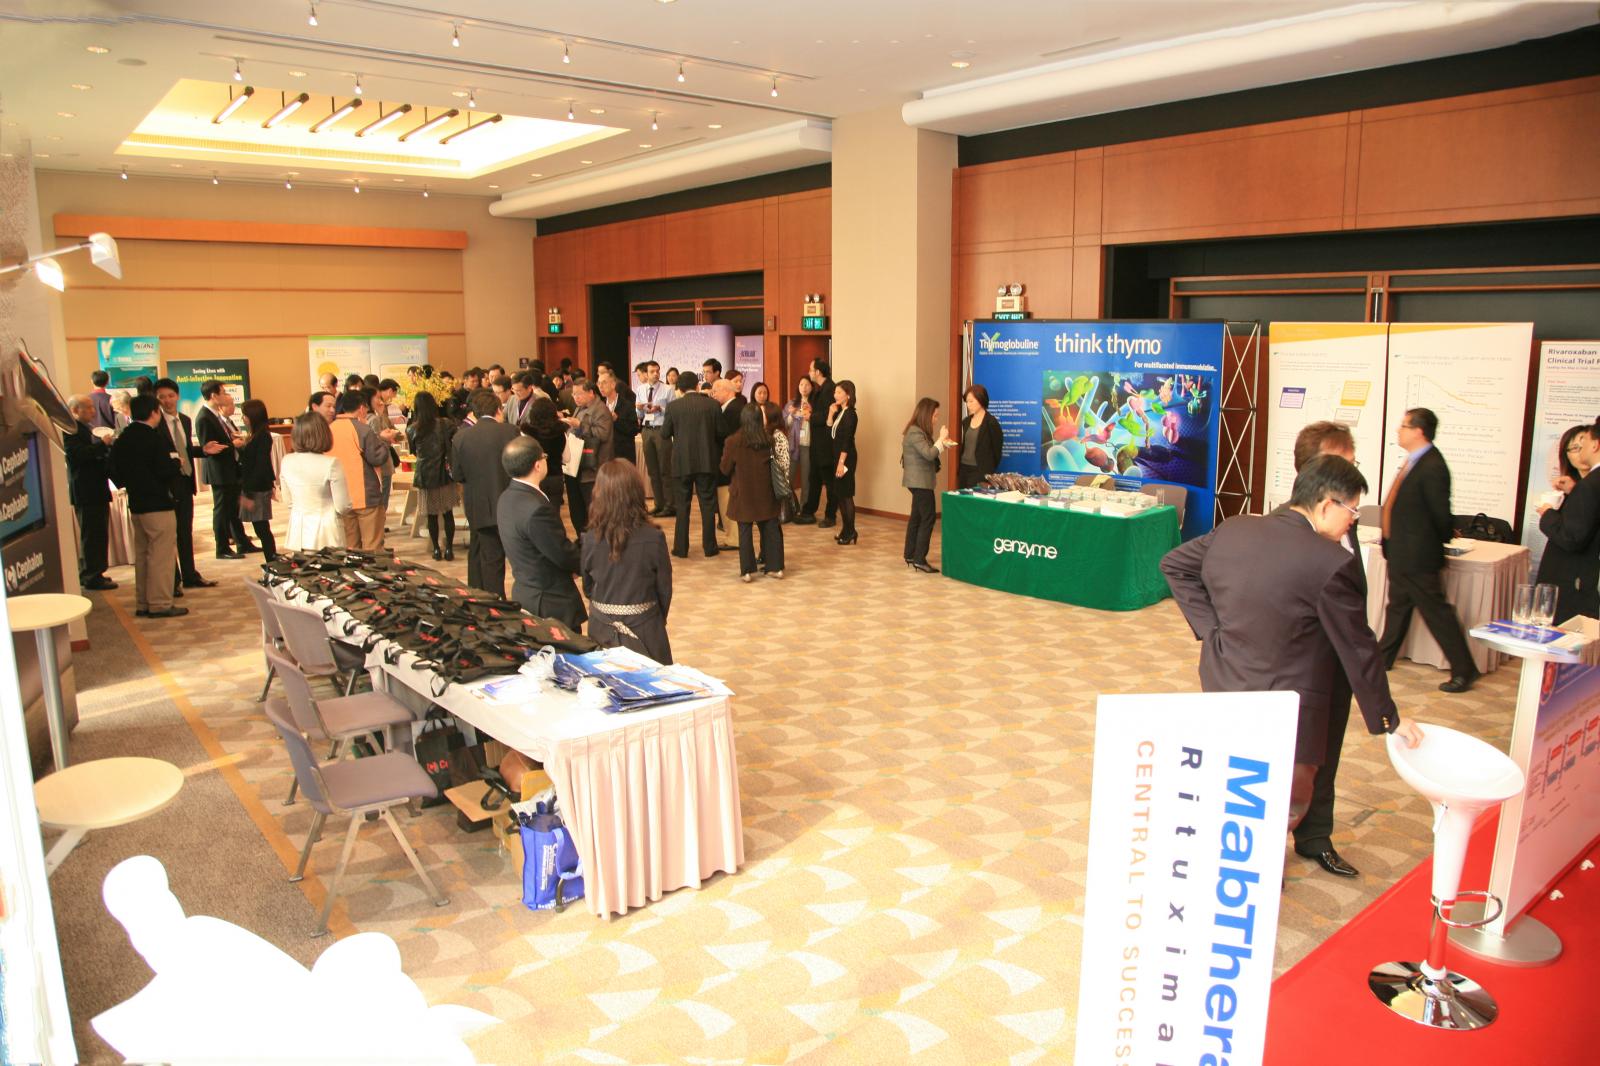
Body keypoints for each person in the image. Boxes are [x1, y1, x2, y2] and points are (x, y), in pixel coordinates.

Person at [1160, 455, 1423, 834]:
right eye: (1352, 510)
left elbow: (1174, 564)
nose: (1352, 520)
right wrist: (1389, 718)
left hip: (1224, 678)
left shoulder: (1234, 529)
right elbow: (1358, 648)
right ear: (1327, 504)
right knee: (1276, 803)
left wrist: (1211, 628)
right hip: (1287, 704)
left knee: (1227, 777)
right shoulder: (1331, 562)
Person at [1281, 420, 1366, 877]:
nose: (1351, 474)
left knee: (1326, 753)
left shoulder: (1346, 516)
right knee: (1291, 757)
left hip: (1337, 658)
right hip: (1294, 664)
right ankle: (1265, 849)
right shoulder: (1284, 526)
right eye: (1341, 464)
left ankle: (1315, 837)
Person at [1377, 407, 1479, 693]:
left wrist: (1437, 540)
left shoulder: (1432, 465)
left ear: (1419, 431)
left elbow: (1440, 514)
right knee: (1398, 606)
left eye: (1404, 426)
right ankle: (1382, 658)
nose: (1398, 430)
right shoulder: (1414, 461)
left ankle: (1465, 669)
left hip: (1417, 556)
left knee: (1437, 613)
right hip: (1401, 551)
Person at [581, 460, 674, 663]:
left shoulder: (589, 539)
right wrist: (652, 618)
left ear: (598, 494)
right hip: (645, 628)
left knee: (604, 681)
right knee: (653, 681)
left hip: (600, 629)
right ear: (637, 492)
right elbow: (664, 589)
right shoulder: (654, 538)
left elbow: (588, 587)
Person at [108, 393, 186, 618]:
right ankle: (160, 603)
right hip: (158, 503)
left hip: (137, 502)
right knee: (161, 555)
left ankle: (143, 602)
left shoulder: (123, 437)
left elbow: (112, 469)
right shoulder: (153, 438)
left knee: (142, 555)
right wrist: (176, 463)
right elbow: (163, 470)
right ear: (154, 412)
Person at [499, 436, 586, 628]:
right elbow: (561, 553)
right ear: (537, 465)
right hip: (550, 601)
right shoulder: (536, 508)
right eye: (544, 456)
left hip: (526, 592)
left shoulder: (506, 497)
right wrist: (582, 565)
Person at [154, 378, 220, 591]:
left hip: (184, 481)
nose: (167, 401)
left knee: (185, 531)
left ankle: (190, 575)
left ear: (177, 396)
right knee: (168, 535)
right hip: (167, 484)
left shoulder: (184, 420)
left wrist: (203, 450)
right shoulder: (155, 423)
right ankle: (173, 580)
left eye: (170, 396)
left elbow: (184, 449)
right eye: (162, 397)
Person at [452, 389, 520, 596]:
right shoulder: (511, 432)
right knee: (520, 558)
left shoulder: (461, 436)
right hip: (510, 503)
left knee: (491, 559)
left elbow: (458, 474)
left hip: (479, 505)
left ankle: (494, 601)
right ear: (498, 410)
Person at [1536, 422, 1600, 623]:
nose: (1580, 449)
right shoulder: (1584, 486)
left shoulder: (1589, 485)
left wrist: (1547, 514)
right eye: (1573, 447)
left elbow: (1572, 538)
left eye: (1583, 442)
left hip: (1576, 580)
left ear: (1594, 445)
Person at [720, 404, 785, 582]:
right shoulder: (768, 440)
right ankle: (776, 567)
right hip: (766, 491)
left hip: (743, 492)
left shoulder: (733, 441)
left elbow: (725, 469)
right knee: (770, 528)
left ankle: (747, 571)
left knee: (745, 530)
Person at [661, 371, 722, 558]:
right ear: (697, 385)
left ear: (679, 389)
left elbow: (664, 433)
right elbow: (721, 432)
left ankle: (681, 548)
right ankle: (710, 547)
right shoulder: (712, 405)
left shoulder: (673, 407)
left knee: (682, 506)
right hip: (707, 461)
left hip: (682, 462)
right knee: (708, 505)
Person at [194, 380, 255, 558]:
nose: (226, 395)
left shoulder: (214, 415)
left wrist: (231, 440)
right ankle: (222, 548)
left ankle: (242, 543)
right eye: (223, 392)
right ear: (214, 396)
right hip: (218, 471)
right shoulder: (204, 417)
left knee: (232, 509)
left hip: (229, 469)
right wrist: (232, 444)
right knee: (221, 510)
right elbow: (211, 448)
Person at [64, 394, 116, 590]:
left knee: (98, 533)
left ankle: (96, 571)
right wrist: (102, 444)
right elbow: (77, 456)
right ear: (75, 410)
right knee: (91, 534)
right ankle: (91, 575)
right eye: (88, 408)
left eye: (92, 407)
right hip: (86, 491)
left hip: (95, 488)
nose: (93, 411)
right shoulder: (71, 430)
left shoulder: (85, 428)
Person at [279, 413, 351, 551]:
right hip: (327, 530)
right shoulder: (331, 463)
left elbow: (288, 501)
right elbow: (342, 506)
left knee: (302, 564)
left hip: (298, 531)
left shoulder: (287, 461)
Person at [329, 391, 390, 551]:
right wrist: (385, 441)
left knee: (351, 546)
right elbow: (377, 457)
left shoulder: (330, 429)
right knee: (372, 545)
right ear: (362, 408)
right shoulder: (362, 429)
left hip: (340, 496)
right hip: (365, 495)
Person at [901, 397, 955, 574]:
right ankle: (919, 559)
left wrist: (942, 444)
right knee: (928, 518)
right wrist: (941, 439)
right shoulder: (915, 432)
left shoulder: (918, 431)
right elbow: (929, 454)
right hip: (920, 482)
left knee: (917, 517)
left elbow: (929, 452)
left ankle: (910, 554)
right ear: (926, 414)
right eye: (935, 415)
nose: (936, 419)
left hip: (919, 481)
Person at [405, 391, 458, 560]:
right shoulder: (446, 424)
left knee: (431, 515)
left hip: (425, 476)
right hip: (444, 474)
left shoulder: (412, 429)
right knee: (448, 513)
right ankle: (449, 549)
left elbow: (414, 452)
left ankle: (436, 549)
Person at [564, 378, 613, 529]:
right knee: (577, 507)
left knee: (593, 508)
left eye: (579, 394)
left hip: (593, 467)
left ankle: (595, 537)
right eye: (573, 394)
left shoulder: (601, 409)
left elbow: (603, 434)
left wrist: (580, 425)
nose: (575, 397)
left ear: (591, 392)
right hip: (577, 464)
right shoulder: (580, 408)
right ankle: (582, 537)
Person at [235, 399, 278, 562]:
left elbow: (261, 464)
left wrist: (248, 490)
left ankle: (271, 560)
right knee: (260, 527)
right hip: (253, 487)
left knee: (262, 528)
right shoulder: (255, 435)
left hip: (257, 488)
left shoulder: (263, 436)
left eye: (245, 415)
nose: (243, 418)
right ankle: (271, 559)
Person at [799, 359, 836, 526]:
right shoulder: (820, 390)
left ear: (818, 372)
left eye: (811, 369)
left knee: (829, 481)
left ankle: (830, 515)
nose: (809, 372)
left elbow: (829, 415)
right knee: (813, 478)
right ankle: (808, 511)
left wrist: (810, 416)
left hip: (826, 444)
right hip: (817, 443)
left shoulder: (830, 389)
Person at [636, 361, 674, 517]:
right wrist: (639, 409)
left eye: (657, 371)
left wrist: (661, 409)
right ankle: (659, 504)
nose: (656, 374)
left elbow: (673, 412)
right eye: (652, 371)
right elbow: (639, 415)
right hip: (646, 430)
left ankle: (670, 505)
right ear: (646, 373)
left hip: (661, 430)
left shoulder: (668, 389)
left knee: (665, 469)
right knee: (653, 470)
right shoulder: (640, 389)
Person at [827, 380, 860, 545]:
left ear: (848, 395)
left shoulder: (851, 414)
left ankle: (851, 530)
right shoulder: (841, 412)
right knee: (839, 493)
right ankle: (846, 529)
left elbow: (846, 441)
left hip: (846, 458)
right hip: (838, 457)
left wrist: (841, 463)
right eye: (835, 392)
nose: (835, 395)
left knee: (846, 494)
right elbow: (831, 432)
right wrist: (830, 413)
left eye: (839, 392)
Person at [957, 383, 1003, 489]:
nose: (968, 405)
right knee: (962, 497)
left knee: (974, 498)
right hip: (964, 469)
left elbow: (997, 450)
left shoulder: (991, 422)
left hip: (981, 471)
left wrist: (989, 469)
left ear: (981, 400)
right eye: (967, 402)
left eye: (971, 401)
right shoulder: (966, 421)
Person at [782, 376, 815, 517]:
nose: (804, 387)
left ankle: (804, 508)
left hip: (808, 445)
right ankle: (788, 507)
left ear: (812, 387)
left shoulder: (815, 404)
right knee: (788, 477)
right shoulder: (792, 403)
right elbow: (785, 424)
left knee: (806, 479)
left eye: (807, 384)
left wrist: (810, 413)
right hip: (793, 445)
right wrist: (791, 414)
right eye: (801, 384)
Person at [368, 381, 401, 516]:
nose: (379, 400)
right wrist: (389, 435)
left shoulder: (374, 416)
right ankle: (380, 521)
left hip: (377, 462)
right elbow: (378, 438)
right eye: (377, 397)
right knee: (383, 494)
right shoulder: (373, 419)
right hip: (382, 461)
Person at [598, 364, 638, 466]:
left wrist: (617, 419)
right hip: (606, 455)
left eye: (604, 383)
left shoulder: (627, 404)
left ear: (613, 385)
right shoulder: (600, 406)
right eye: (599, 383)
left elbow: (634, 429)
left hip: (623, 455)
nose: (600, 386)